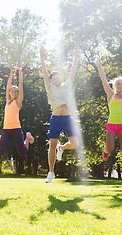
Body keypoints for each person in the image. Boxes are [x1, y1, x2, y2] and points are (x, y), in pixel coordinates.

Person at [40, 46, 80, 183]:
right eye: (54, 79)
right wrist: (42, 58)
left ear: (60, 78)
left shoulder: (66, 85)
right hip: (56, 119)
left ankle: (62, 148)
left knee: (75, 143)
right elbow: (45, 72)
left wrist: (75, 56)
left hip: (68, 118)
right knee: (51, 144)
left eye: (58, 78)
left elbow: (73, 72)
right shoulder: (49, 87)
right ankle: (51, 172)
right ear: (51, 81)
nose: (56, 80)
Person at [0, 67, 34, 156]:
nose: (14, 93)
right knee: (0, 152)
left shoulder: (18, 102)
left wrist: (20, 71)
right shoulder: (8, 101)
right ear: (10, 92)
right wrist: (11, 73)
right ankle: (0, 139)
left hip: (16, 129)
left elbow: (20, 84)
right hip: (6, 129)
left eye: (16, 91)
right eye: (12, 91)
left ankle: (27, 137)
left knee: (23, 152)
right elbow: (8, 85)